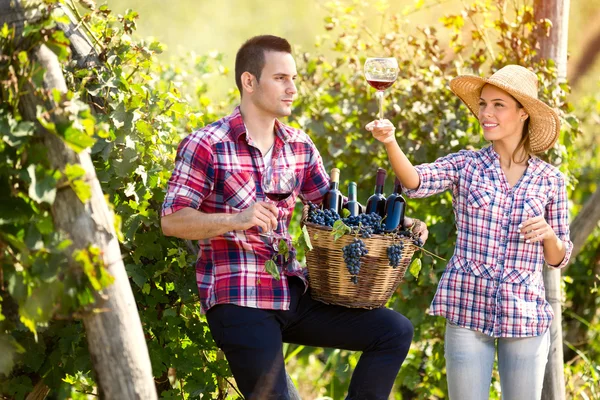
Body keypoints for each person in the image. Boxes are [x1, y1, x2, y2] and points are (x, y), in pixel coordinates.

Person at [161, 35, 426, 400]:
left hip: (293, 292)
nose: (292, 89)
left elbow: (339, 215)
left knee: (393, 331)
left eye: (294, 79)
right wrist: (237, 219)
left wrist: (397, 225)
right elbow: (172, 220)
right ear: (249, 82)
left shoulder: (299, 146)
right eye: (281, 78)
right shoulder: (207, 144)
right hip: (240, 298)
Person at [366, 64, 573, 400]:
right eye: (482, 104)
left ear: (523, 114)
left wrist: (549, 236)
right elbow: (416, 181)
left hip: (525, 314)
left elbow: (558, 258)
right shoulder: (467, 165)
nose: (485, 113)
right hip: (467, 307)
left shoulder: (550, 180)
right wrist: (390, 142)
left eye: (498, 105)